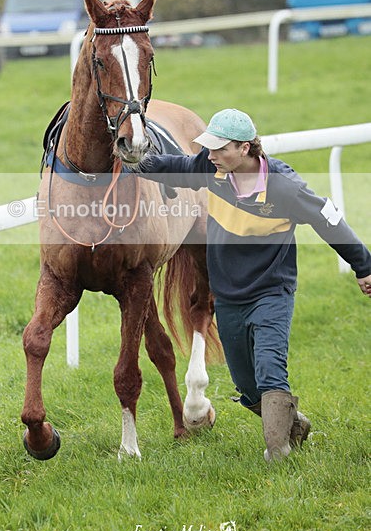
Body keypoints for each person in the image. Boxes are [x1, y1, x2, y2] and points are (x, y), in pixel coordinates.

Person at [139, 108, 371, 461]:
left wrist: (363, 266)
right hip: (228, 296)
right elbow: (171, 166)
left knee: (269, 370)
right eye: (209, 148)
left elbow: (329, 220)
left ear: (245, 148)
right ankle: (292, 422)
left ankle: (277, 453)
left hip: (271, 293)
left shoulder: (285, 186)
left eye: (220, 149)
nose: (210, 155)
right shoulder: (209, 169)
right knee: (247, 385)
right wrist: (129, 158)